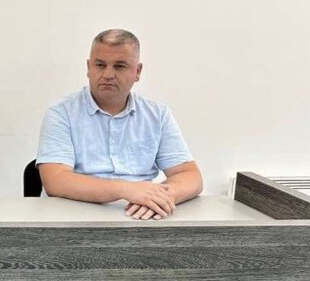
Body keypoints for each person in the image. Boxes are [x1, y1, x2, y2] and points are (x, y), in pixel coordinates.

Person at [37, 28, 202, 219]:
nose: (108, 74)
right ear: (89, 68)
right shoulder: (61, 113)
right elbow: (56, 181)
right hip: (73, 220)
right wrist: (125, 189)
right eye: (100, 65)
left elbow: (190, 175)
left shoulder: (157, 114)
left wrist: (159, 198)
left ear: (137, 71)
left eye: (119, 66)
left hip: (139, 219)